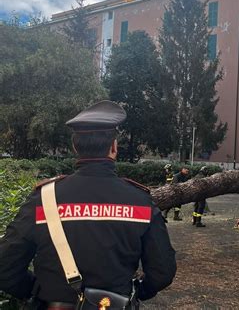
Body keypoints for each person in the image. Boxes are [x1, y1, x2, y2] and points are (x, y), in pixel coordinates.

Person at [0, 101, 176, 308]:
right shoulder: (140, 201)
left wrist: (38, 291)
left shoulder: (44, 199)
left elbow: (5, 266)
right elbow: (162, 271)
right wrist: (134, 293)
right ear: (113, 147)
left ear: (75, 146)